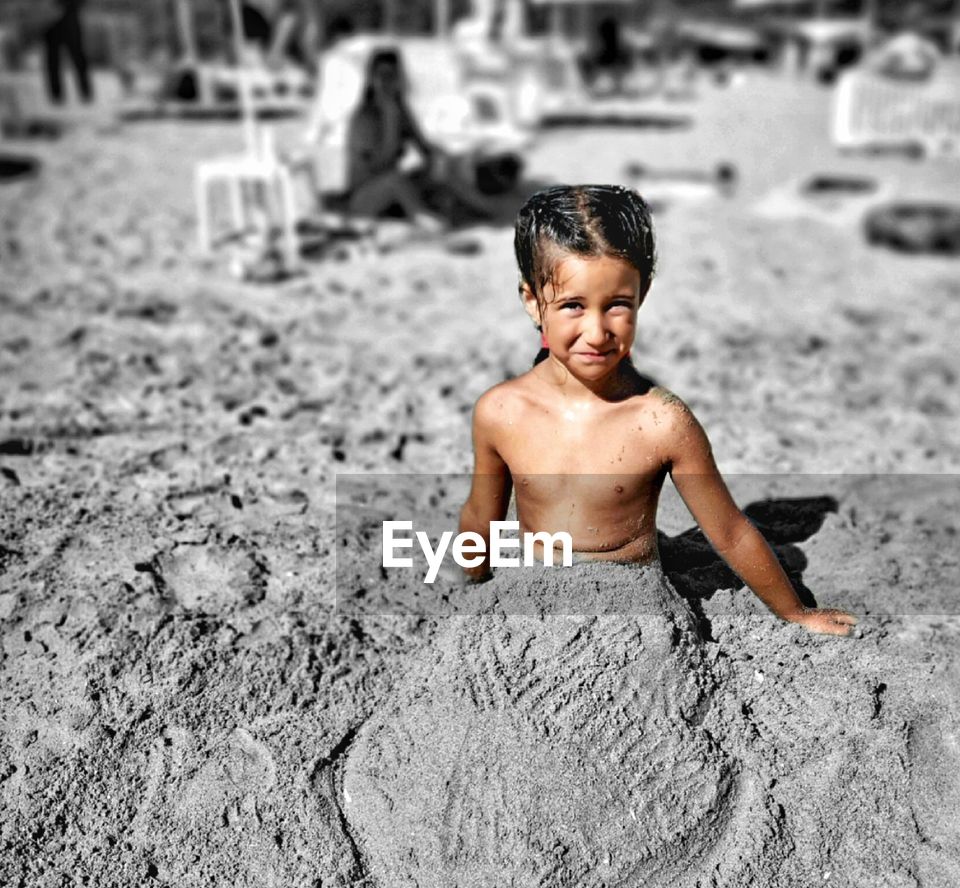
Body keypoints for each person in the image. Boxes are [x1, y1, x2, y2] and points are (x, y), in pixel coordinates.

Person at [458, 184, 857, 637]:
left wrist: (796, 613)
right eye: (572, 306)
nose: (596, 331)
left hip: (637, 623)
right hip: (532, 605)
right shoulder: (502, 411)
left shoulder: (660, 421)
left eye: (617, 306)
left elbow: (729, 531)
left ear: (641, 295)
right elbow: (480, 516)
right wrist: (474, 583)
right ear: (532, 301)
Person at [345, 47, 495, 228]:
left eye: (392, 75)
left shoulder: (400, 110)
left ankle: (477, 207)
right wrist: (390, 121)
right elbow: (377, 166)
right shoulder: (364, 117)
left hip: (394, 194)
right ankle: (422, 217)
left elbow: (425, 148)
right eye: (381, 75)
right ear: (371, 79)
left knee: (438, 167)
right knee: (396, 180)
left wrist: (445, 161)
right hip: (365, 196)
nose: (387, 82)